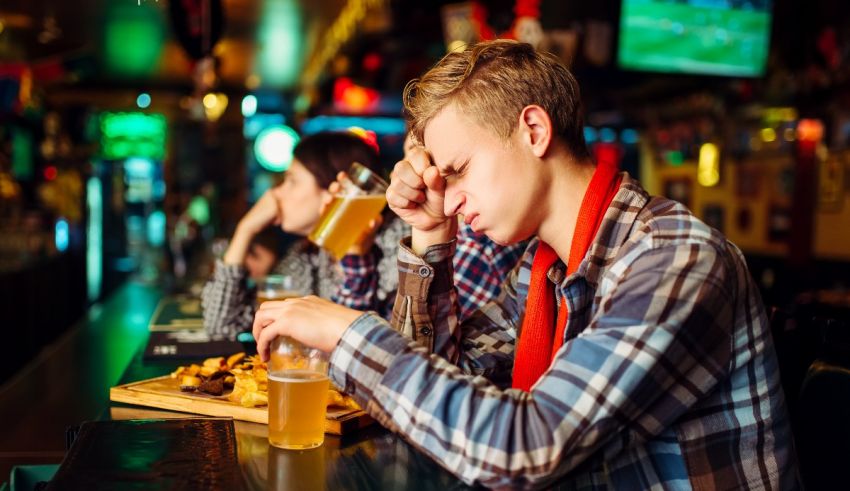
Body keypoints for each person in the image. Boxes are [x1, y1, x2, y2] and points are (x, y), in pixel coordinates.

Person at [252, 41, 798, 489]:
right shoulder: (544, 271)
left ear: (534, 130)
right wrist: (429, 236)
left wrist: (348, 330)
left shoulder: (674, 259)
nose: (449, 196)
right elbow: (440, 396)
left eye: (458, 170)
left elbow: (523, 448)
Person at [201, 131, 408, 340]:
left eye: (291, 181)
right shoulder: (307, 257)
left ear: (335, 188)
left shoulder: (400, 246)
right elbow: (221, 328)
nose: (276, 194)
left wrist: (355, 258)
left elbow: (362, 344)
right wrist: (245, 230)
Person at [404, 132, 528, 321]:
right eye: (409, 156)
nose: (408, 173)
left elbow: (415, 346)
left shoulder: (477, 245)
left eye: (459, 168)